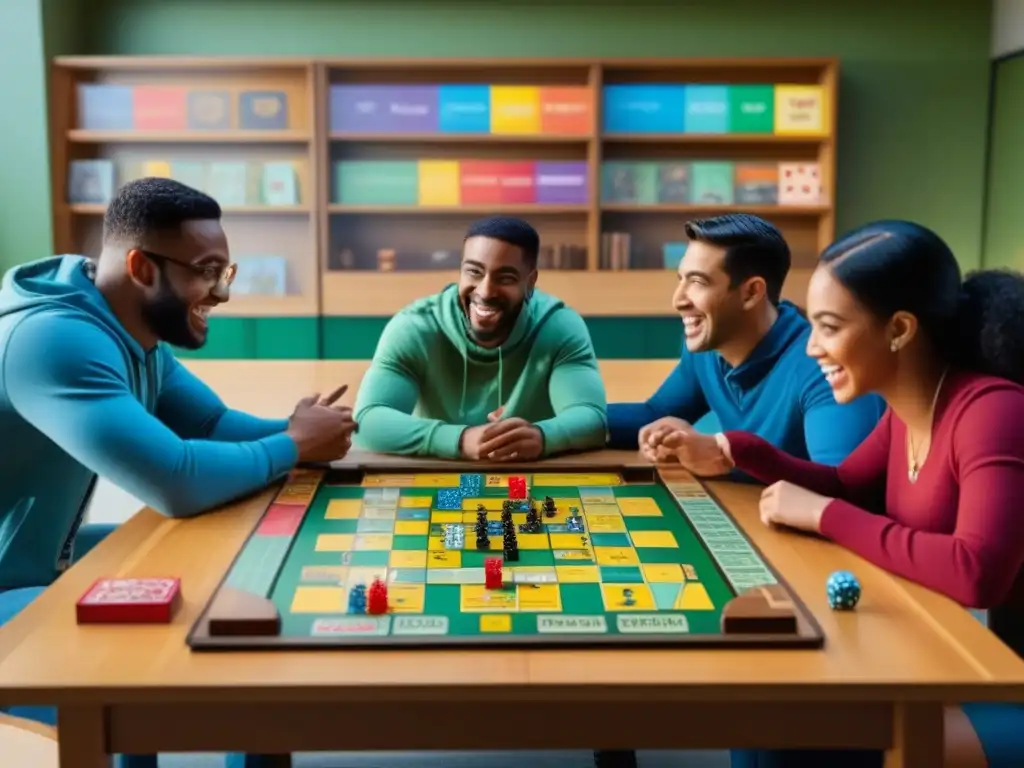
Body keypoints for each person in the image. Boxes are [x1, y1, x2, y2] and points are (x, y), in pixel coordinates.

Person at [0, 177, 356, 768]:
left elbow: (212, 425)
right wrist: (294, 444)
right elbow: (177, 482)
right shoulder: (54, 340)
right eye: (206, 271)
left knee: (227, 605)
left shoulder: (125, 322)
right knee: (151, 676)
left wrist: (300, 432)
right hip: (11, 585)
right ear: (141, 266)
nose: (221, 293)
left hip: (40, 558)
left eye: (225, 272)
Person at [655, 220, 1024, 768]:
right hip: (950, 655)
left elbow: (978, 570)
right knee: (767, 714)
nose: (810, 347)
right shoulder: (908, 410)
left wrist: (827, 516)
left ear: (899, 329)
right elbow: (845, 483)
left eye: (828, 327)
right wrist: (734, 449)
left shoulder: (994, 410)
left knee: (791, 739)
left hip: (1004, 682)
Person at [606, 213, 885, 470]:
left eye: (698, 282)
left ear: (751, 292)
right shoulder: (707, 349)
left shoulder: (823, 367)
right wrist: (567, 420)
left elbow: (842, 486)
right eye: (681, 280)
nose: (678, 300)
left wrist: (725, 455)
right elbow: (654, 414)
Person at [353, 215, 607, 461]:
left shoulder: (559, 326)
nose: (485, 291)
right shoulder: (415, 327)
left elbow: (592, 417)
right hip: (437, 472)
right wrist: (460, 440)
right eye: (474, 272)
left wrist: (543, 436)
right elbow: (367, 421)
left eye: (505, 278)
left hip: (528, 479)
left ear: (530, 282)